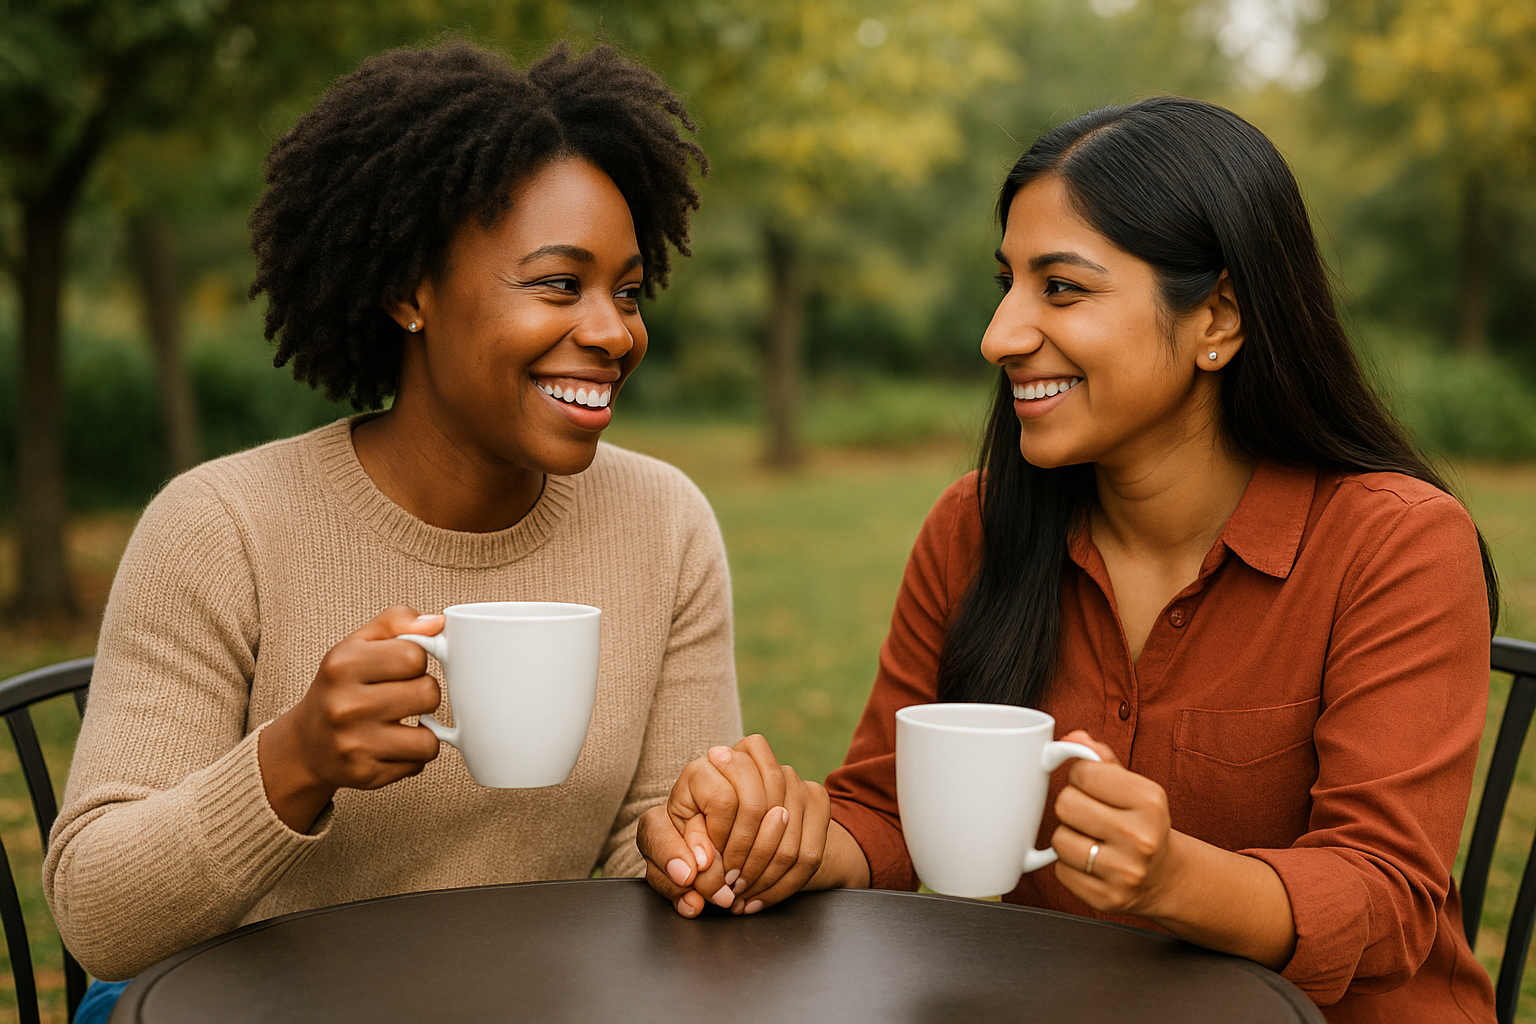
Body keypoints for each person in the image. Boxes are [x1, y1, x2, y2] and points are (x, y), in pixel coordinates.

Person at [638, 96, 1499, 1022]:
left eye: (1061, 288)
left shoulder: (1395, 543)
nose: (999, 335)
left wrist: (1174, 880)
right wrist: (765, 838)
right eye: (1006, 282)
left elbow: (1385, 894)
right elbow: (886, 815)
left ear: (1218, 317)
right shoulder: (974, 528)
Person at [46, 38, 739, 1001]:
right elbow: (99, 915)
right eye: (557, 284)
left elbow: (648, 842)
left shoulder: (665, 524)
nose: (614, 331)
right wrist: (295, 762)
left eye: (626, 291)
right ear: (409, 292)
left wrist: (704, 844)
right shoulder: (220, 526)